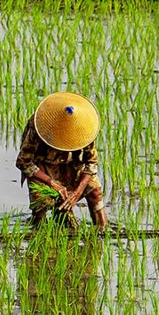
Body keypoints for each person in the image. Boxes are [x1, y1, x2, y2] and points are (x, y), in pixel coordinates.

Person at [16, 91, 107, 231]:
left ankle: (102, 231)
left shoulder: (85, 129)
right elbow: (23, 162)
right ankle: (38, 230)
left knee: (94, 189)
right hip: (43, 167)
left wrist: (76, 193)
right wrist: (52, 183)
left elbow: (91, 164)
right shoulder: (40, 125)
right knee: (41, 204)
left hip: (71, 164)